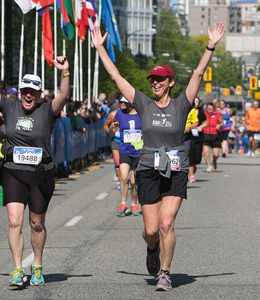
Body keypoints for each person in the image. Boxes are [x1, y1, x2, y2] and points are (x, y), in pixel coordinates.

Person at [93, 22, 224, 291]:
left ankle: (165, 272)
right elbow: (116, 77)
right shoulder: (142, 103)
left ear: (170, 82)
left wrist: (210, 45)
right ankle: (152, 249)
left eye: (160, 79)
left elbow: (199, 73)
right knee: (151, 231)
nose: (155, 83)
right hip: (148, 169)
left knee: (166, 224)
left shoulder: (181, 103)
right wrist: (99, 49)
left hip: (176, 168)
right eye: (152, 80)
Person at [0, 47, 70, 286]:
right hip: (13, 170)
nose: (28, 95)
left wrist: (64, 72)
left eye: (32, 91)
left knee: (37, 223)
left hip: (40, 173)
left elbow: (63, 97)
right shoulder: (9, 106)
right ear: (20, 91)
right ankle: (16, 268)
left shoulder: (47, 110)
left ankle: (37, 265)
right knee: (14, 221)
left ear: (39, 93)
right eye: (25, 91)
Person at [104, 97, 141, 217]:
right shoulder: (119, 114)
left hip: (138, 150)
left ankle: (134, 204)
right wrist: (112, 128)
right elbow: (111, 133)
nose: (122, 104)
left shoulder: (141, 112)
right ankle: (123, 203)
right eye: (121, 102)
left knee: (134, 180)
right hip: (125, 149)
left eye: (125, 102)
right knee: (124, 177)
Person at [199, 102, 223, 173]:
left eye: (211, 109)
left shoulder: (217, 114)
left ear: (213, 109)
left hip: (215, 136)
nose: (209, 110)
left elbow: (222, 123)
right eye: (208, 109)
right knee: (206, 153)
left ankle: (214, 160)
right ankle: (209, 166)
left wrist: (219, 125)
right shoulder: (203, 114)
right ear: (206, 109)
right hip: (205, 135)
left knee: (216, 154)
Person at [185, 98, 204, 183]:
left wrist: (189, 127)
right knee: (187, 156)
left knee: (193, 158)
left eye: (197, 101)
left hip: (192, 136)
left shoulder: (194, 111)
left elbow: (197, 122)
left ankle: (190, 170)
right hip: (179, 136)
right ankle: (189, 175)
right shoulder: (178, 107)